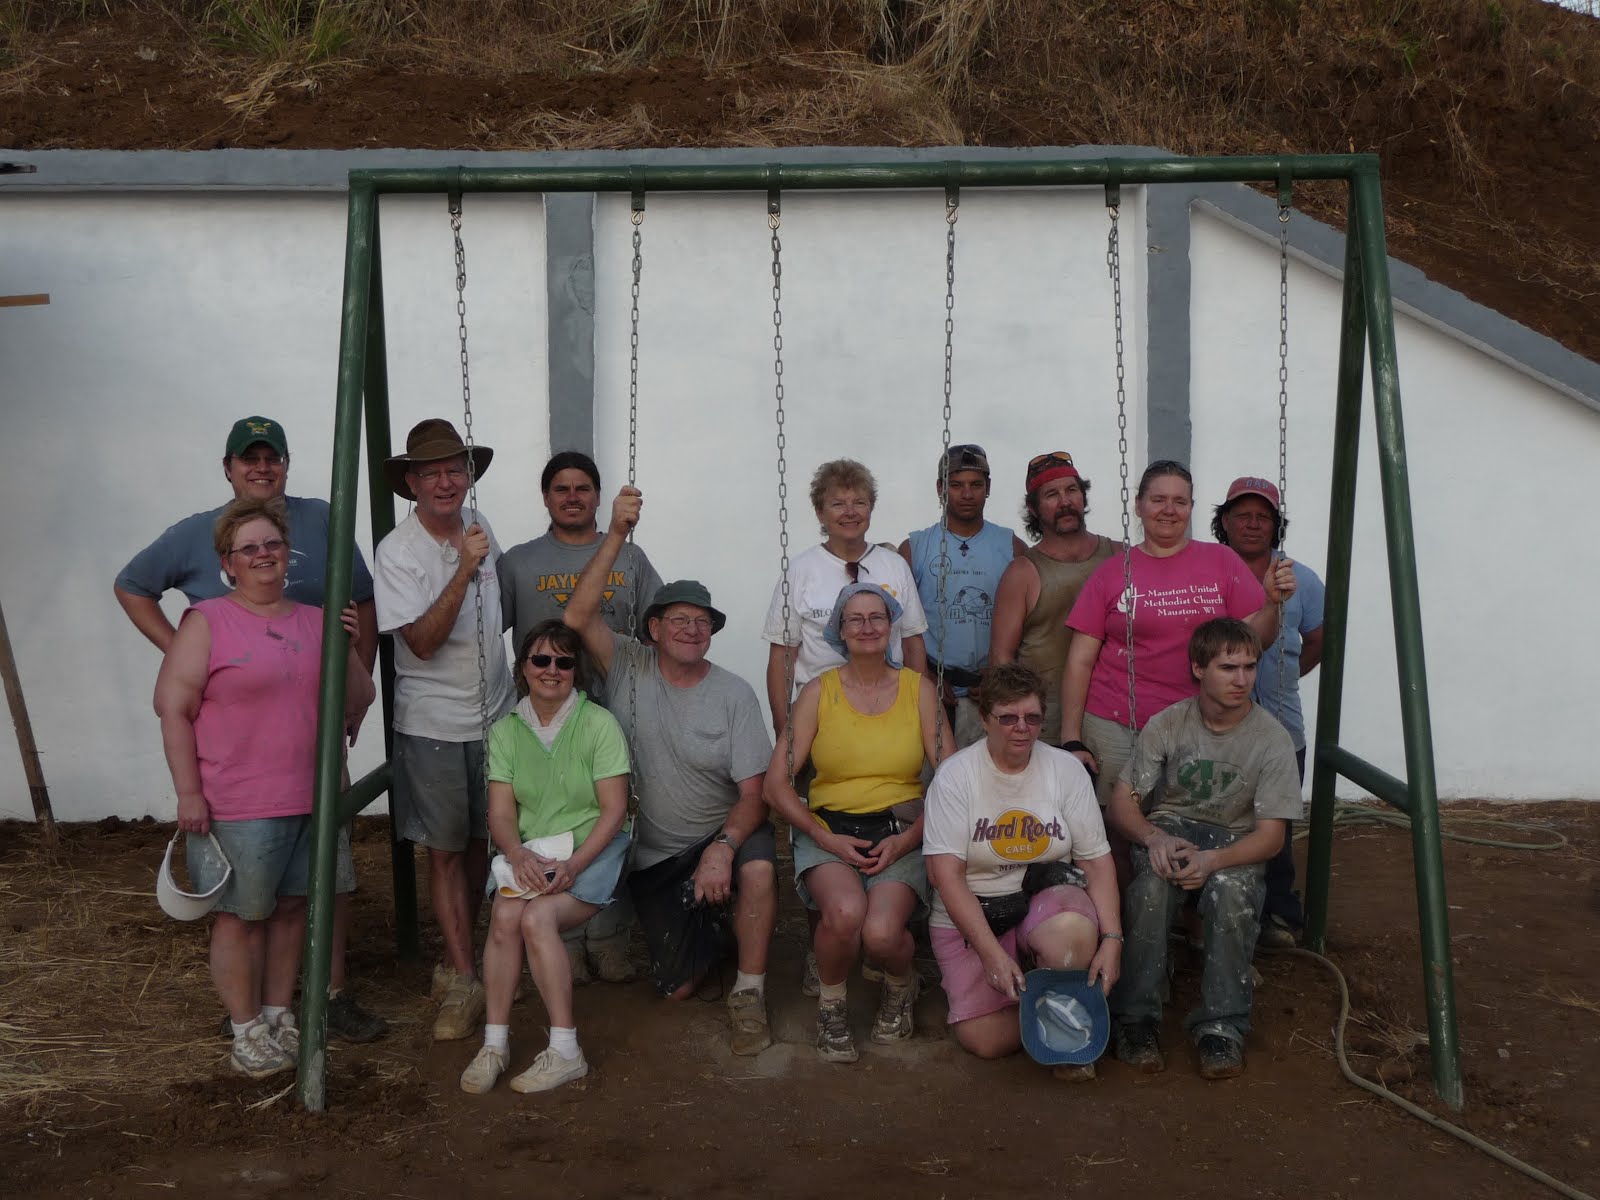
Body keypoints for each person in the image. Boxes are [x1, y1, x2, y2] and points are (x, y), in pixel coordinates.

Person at [116, 415, 387, 1043]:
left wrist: (352, 674)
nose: (262, 468)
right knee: (245, 909)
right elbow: (135, 596)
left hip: (309, 763)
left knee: (305, 896)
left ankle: (299, 1005)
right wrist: (187, 655)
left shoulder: (320, 546)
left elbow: (362, 623)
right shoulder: (205, 594)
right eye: (249, 458)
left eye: (272, 457)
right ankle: (247, 1021)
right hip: (239, 783)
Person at [154, 497, 374, 1078]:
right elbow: (173, 708)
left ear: (287, 553)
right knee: (242, 916)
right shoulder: (207, 621)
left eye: (272, 544)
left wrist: (350, 648)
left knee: (293, 910)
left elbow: (357, 700)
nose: (263, 555)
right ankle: (245, 1028)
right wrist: (188, 793)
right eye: (248, 548)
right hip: (239, 801)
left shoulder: (316, 620)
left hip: (312, 796)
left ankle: (279, 1015)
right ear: (228, 563)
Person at [563, 487, 776, 1054]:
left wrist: (723, 848)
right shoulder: (626, 664)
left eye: (702, 621)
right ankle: (721, 928)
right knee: (679, 989)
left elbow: (754, 794)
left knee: (757, 869)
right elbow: (577, 614)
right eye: (678, 619)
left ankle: (750, 991)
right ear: (652, 629)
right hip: (657, 856)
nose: (691, 629)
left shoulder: (734, 693)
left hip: (721, 832)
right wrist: (616, 532)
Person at [763, 583, 952, 1064]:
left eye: (877, 617)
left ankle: (899, 984)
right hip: (831, 829)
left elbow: (952, 782)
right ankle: (831, 1006)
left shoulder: (919, 690)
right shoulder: (817, 692)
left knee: (882, 932)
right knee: (845, 913)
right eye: (856, 619)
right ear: (840, 631)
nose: (867, 627)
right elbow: (775, 784)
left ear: (891, 627)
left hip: (900, 829)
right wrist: (821, 835)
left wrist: (909, 840)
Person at [1105, 618, 1301, 1080]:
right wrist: (1153, 837)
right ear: (1198, 668)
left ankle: (1222, 1027)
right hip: (1172, 829)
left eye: (1249, 667)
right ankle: (1136, 1021)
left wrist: (1214, 861)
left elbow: (1272, 837)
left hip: (1234, 840)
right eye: (1228, 667)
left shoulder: (1272, 739)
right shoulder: (1169, 723)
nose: (1241, 679)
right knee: (1151, 888)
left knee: (1232, 892)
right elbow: (1123, 802)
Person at [373, 418, 516, 1042]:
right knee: (445, 851)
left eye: (455, 470)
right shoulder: (397, 552)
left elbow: (500, 615)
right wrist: (463, 568)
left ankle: (473, 960)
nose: (445, 482)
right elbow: (423, 643)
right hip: (434, 723)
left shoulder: (480, 525)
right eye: (430, 473)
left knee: (486, 841)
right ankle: (462, 977)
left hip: (496, 716)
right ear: (410, 482)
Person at [499, 451, 663, 986]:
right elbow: (483, 627)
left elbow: (655, 629)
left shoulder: (631, 560)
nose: (572, 497)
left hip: (614, 712)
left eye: (583, 488)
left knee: (614, 821)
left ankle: (608, 935)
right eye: (561, 489)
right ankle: (563, 939)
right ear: (545, 498)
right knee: (550, 820)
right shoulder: (518, 562)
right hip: (545, 718)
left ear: (598, 496)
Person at [923, 663, 1122, 1081]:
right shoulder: (955, 776)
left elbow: (1095, 860)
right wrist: (990, 954)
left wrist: (1112, 939)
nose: (1021, 728)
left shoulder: (1065, 769)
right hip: (976, 910)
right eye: (1008, 717)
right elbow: (946, 875)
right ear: (984, 719)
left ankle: (1058, 994)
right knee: (987, 1040)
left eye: (1032, 717)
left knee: (1070, 932)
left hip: (1043, 900)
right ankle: (1056, 1002)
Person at [1060, 460, 1296, 810]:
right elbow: (1080, 660)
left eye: (1180, 501)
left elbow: (1255, 640)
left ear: (1191, 507)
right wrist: (1071, 738)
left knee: (1189, 821)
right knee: (1119, 819)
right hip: (1118, 725)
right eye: (1158, 500)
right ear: (1138, 505)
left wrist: (1272, 606)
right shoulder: (1111, 573)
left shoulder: (1221, 561)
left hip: (1201, 725)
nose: (1169, 510)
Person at [458, 621, 631, 1095]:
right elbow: (500, 813)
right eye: (541, 659)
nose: (551, 670)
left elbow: (614, 810)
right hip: (533, 852)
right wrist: (516, 853)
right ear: (523, 668)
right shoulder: (505, 732)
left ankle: (566, 1049)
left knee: (537, 919)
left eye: (564, 661)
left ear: (576, 671)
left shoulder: (598, 724)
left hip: (591, 850)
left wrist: (575, 865)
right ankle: (495, 1044)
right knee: (505, 916)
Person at [1212, 476, 1325, 947]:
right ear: (1224, 521)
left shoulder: (1301, 579)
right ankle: (1216, 914)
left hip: (1281, 720)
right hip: (1218, 724)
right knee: (1218, 814)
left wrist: (1283, 680)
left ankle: (1277, 914)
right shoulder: (1207, 571)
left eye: (1263, 516)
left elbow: (1318, 639)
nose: (1253, 524)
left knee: (1275, 820)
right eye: (1242, 515)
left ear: (1277, 524)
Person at [763, 459, 929, 738]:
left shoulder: (895, 566)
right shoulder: (799, 571)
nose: (850, 512)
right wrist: (784, 731)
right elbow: (782, 657)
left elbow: (913, 644)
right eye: (838, 504)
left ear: (871, 508)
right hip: (819, 717)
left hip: (891, 713)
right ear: (820, 512)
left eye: (859, 503)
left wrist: (916, 714)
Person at [897, 443, 1026, 748]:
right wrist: (925, 676)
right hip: (935, 689)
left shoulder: (1012, 547)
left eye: (975, 485)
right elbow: (898, 623)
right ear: (940, 488)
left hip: (992, 693)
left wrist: (1002, 677)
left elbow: (1030, 621)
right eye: (956, 485)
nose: (966, 494)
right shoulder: (915, 548)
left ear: (988, 488)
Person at [990, 450, 1118, 747]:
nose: (1065, 502)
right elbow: (1001, 659)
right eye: (1051, 495)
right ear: (1033, 509)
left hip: (1112, 719)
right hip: (1045, 725)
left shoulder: (1118, 555)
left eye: (1072, 490)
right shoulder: (1022, 573)